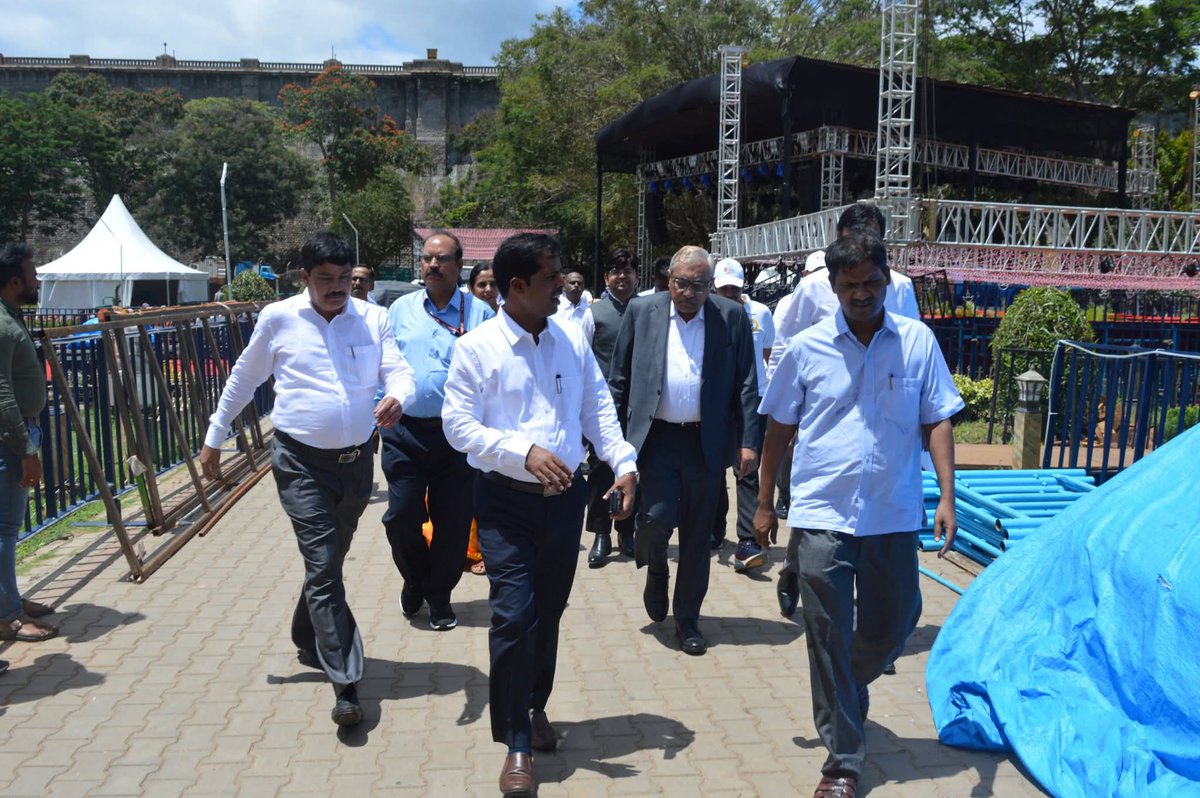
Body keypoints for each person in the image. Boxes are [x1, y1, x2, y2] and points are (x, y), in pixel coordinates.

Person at [754, 231, 961, 798]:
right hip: (823, 512)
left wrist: (946, 496)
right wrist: (766, 501)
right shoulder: (806, 347)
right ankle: (843, 761)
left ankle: (844, 687)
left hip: (893, 512)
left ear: (887, 281)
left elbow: (937, 418)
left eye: (872, 282)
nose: (863, 294)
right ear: (834, 287)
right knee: (825, 634)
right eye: (851, 286)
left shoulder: (917, 342)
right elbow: (778, 430)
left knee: (896, 623)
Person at [442, 232, 637, 797]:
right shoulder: (476, 348)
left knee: (548, 613)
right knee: (512, 616)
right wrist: (519, 451)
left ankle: (534, 706)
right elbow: (460, 428)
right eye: (552, 278)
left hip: (565, 503)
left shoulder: (570, 339)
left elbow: (596, 407)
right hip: (504, 504)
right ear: (518, 286)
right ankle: (515, 743)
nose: (562, 287)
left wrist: (622, 462)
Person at [200, 231, 415, 727]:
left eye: (344, 279)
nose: (338, 288)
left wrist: (398, 394)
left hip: (357, 463)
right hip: (298, 461)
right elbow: (244, 377)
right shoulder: (278, 319)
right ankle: (346, 682)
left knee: (328, 560)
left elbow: (398, 370)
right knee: (323, 561)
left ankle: (306, 634)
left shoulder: (374, 318)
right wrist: (215, 434)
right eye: (326, 280)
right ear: (304, 279)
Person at [770, 202, 922, 620]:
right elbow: (786, 344)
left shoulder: (902, 287)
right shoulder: (814, 286)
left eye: (872, 239)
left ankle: (864, 633)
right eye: (853, 238)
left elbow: (909, 350)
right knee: (819, 504)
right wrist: (783, 405)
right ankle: (795, 567)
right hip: (824, 413)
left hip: (881, 418)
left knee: (871, 529)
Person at [609, 245, 760, 656]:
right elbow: (618, 378)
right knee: (653, 522)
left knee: (698, 535)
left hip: (706, 442)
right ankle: (655, 569)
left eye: (699, 285)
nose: (690, 293)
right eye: (682, 283)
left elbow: (748, 381)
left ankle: (687, 618)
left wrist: (749, 441)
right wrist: (610, 444)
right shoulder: (643, 312)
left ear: (711, 286)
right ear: (668, 281)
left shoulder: (730, 317)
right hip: (655, 440)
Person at [382, 231, 494, 631]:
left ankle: (440, 596)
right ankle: (415, 579)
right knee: (400, 515)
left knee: (453, 523)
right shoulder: (400, 310)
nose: (431, 265)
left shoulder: (481, 314)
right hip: (405, 431)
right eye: (427, 259)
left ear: (458, 265)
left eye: (441, 259)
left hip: (458, 437)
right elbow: (385, 361)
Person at [0, 242, 59, 647]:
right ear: (15, 281)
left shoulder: (13, 318)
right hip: (11, 438)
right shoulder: (2, 325)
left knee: (9, 529)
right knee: (4, 531)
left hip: (21, 432)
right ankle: (8, 617)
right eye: (33, 275)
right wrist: (26, 449)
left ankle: (11, 600)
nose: (38, 280)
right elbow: (2, 392)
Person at [710, 258, 775, 571]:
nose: (729, 294)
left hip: (751, 400)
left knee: (747, 467)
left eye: (734, 288)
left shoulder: (760, 313)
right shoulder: (706, 311)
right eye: (723, 289)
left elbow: (766, 355)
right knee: (712, 468)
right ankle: (714, 528)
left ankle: (747, 540)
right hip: (715, 401)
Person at [579, 248, 640, 567]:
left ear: (636, 277)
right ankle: (601, 532)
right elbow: (584, 359)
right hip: (603, 404)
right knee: (602, 469)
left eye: (628, 271)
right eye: (615, 271)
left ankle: (626, 532)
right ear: (606, 278)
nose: (622, 276)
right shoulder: (594, 313)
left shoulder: (646, 310)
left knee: (632, 468)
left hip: (640, 404)